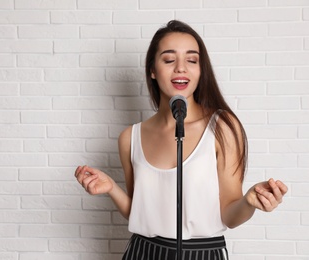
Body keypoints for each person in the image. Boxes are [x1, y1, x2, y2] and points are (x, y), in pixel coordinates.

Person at [74, 20, 288, 260]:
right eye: (168, 60)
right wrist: (112, 188)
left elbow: (229, 215)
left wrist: (249, 201)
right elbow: (140, 213)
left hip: (202, 254)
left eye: (192, 60)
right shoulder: (129, 138)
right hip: (141, 252)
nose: (181, 68)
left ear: (200, 70)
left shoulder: (222, 127)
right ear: (152, 70)